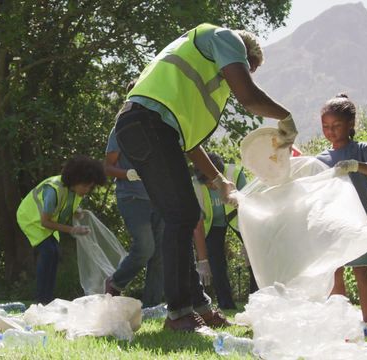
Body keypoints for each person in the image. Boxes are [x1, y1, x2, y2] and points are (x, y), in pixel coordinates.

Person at [113, 23, 297, 331]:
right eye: (246, 68)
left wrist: (220, 181)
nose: (243, 74)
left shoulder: (199, 79)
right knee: (182, 215)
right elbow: (250, 97)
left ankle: (198, 307)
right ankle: (178, 314)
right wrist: (285, 117)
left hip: (151, 128)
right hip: (146, 124)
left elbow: (189, 142)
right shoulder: (225, 38)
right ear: (242, 54)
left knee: (183, 215)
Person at [316, 94, 367, 334]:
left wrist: (356, 165)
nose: (331, 131)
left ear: (350, 125)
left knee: (362, 271)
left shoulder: (361, 150)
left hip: (358, 224)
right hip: (331, 224)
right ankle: (339, 321)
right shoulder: (322, 159)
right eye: (326, 127)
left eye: (336, 126)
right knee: (335, 273)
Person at [17, 155, 107, 305]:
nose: (87, 190)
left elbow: (67, 205)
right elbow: (45, 222)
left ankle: (47, 299)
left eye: (90, 187)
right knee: (48, 252)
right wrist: (73, 230)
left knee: (54, 253)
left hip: (46, 222)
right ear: (75, 180)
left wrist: (76, 211)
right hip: (31, 219)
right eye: (85, 186)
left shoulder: (75, 190)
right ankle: (41, 300)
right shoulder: (54, 190)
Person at [104, 118, 165, 308]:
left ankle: (151, 306)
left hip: (158, 199)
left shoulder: (159, 129)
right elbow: (107, 167)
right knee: (146, 247)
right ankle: (115, 282)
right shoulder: (120, 130)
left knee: (160, 254)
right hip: (132, 198)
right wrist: (128, 174)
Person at [192, 153, 246, 310]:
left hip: (238, 218)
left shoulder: (235, 174)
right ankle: (226, 304)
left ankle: (257, 297)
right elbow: (198, 224)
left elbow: (249, 205)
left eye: (213, 183)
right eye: (208, 185)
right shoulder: (195, 186)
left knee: (254, 255)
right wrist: (202, 261)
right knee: (216, 262)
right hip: (212, 224)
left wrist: (250, 240)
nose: (212, 187)